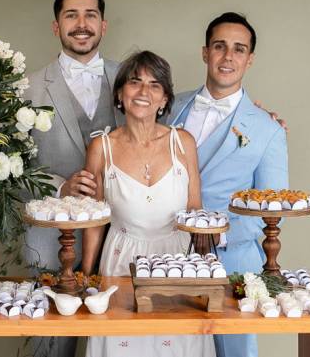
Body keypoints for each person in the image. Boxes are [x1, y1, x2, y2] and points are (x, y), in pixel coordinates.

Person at [167, 12, 289, 357]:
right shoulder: (169, 107)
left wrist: (215, 232)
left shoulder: (268, 129)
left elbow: (271, 207)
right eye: (220, 46)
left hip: (234, 261)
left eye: (239, 49)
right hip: (167, 256)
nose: (228, 56)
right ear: (205, 52)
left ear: (249, 60)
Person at [82, 51, 216, 357]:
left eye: (155, 85)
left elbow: (196, 207)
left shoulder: (183, 142)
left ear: (165, 99)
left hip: (178, 260)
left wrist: (206, 269)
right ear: (120, 93)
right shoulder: (101, 147)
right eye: (135, 82)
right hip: (120, 262)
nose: (144, 92)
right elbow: (94, 220)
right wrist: (86, 277)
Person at [22, 0, 121, 357]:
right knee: (51, 345)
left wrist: (256, 111)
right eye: (71, 15)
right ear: (56, 26)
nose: (82, 23)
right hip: (49, 241)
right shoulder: (27, 88)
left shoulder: (133, 80)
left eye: (90, 15)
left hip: (119, 237)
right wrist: (59, 188)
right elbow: (6, 165)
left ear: (103, 24)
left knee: (119, 340)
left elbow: (173, 123)